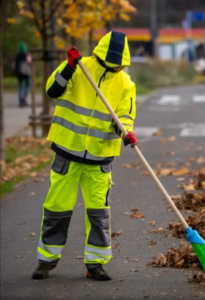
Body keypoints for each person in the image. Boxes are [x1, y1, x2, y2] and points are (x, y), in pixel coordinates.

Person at [32, 31, 138, 281]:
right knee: (56, 209)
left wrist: (126, 131)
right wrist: (68, 68)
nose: (114, 69)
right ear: (100, 56)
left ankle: (96, 264)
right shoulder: (78, 66)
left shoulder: (126, 83)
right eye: (110, 64)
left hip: (99, 159)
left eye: (118, 65)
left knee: (99, 214)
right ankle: (46, 262)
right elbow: (52, 91)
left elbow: (125, 115)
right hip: (67, 151)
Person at [13, 42, 32, 107]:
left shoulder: (17, 55)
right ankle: (25, 97)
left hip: (19, 73)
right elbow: (29, 62)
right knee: (28, 85)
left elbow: (14, 64)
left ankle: (21, 98)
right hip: (26, 73)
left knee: (20, 86)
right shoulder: (26, 55)